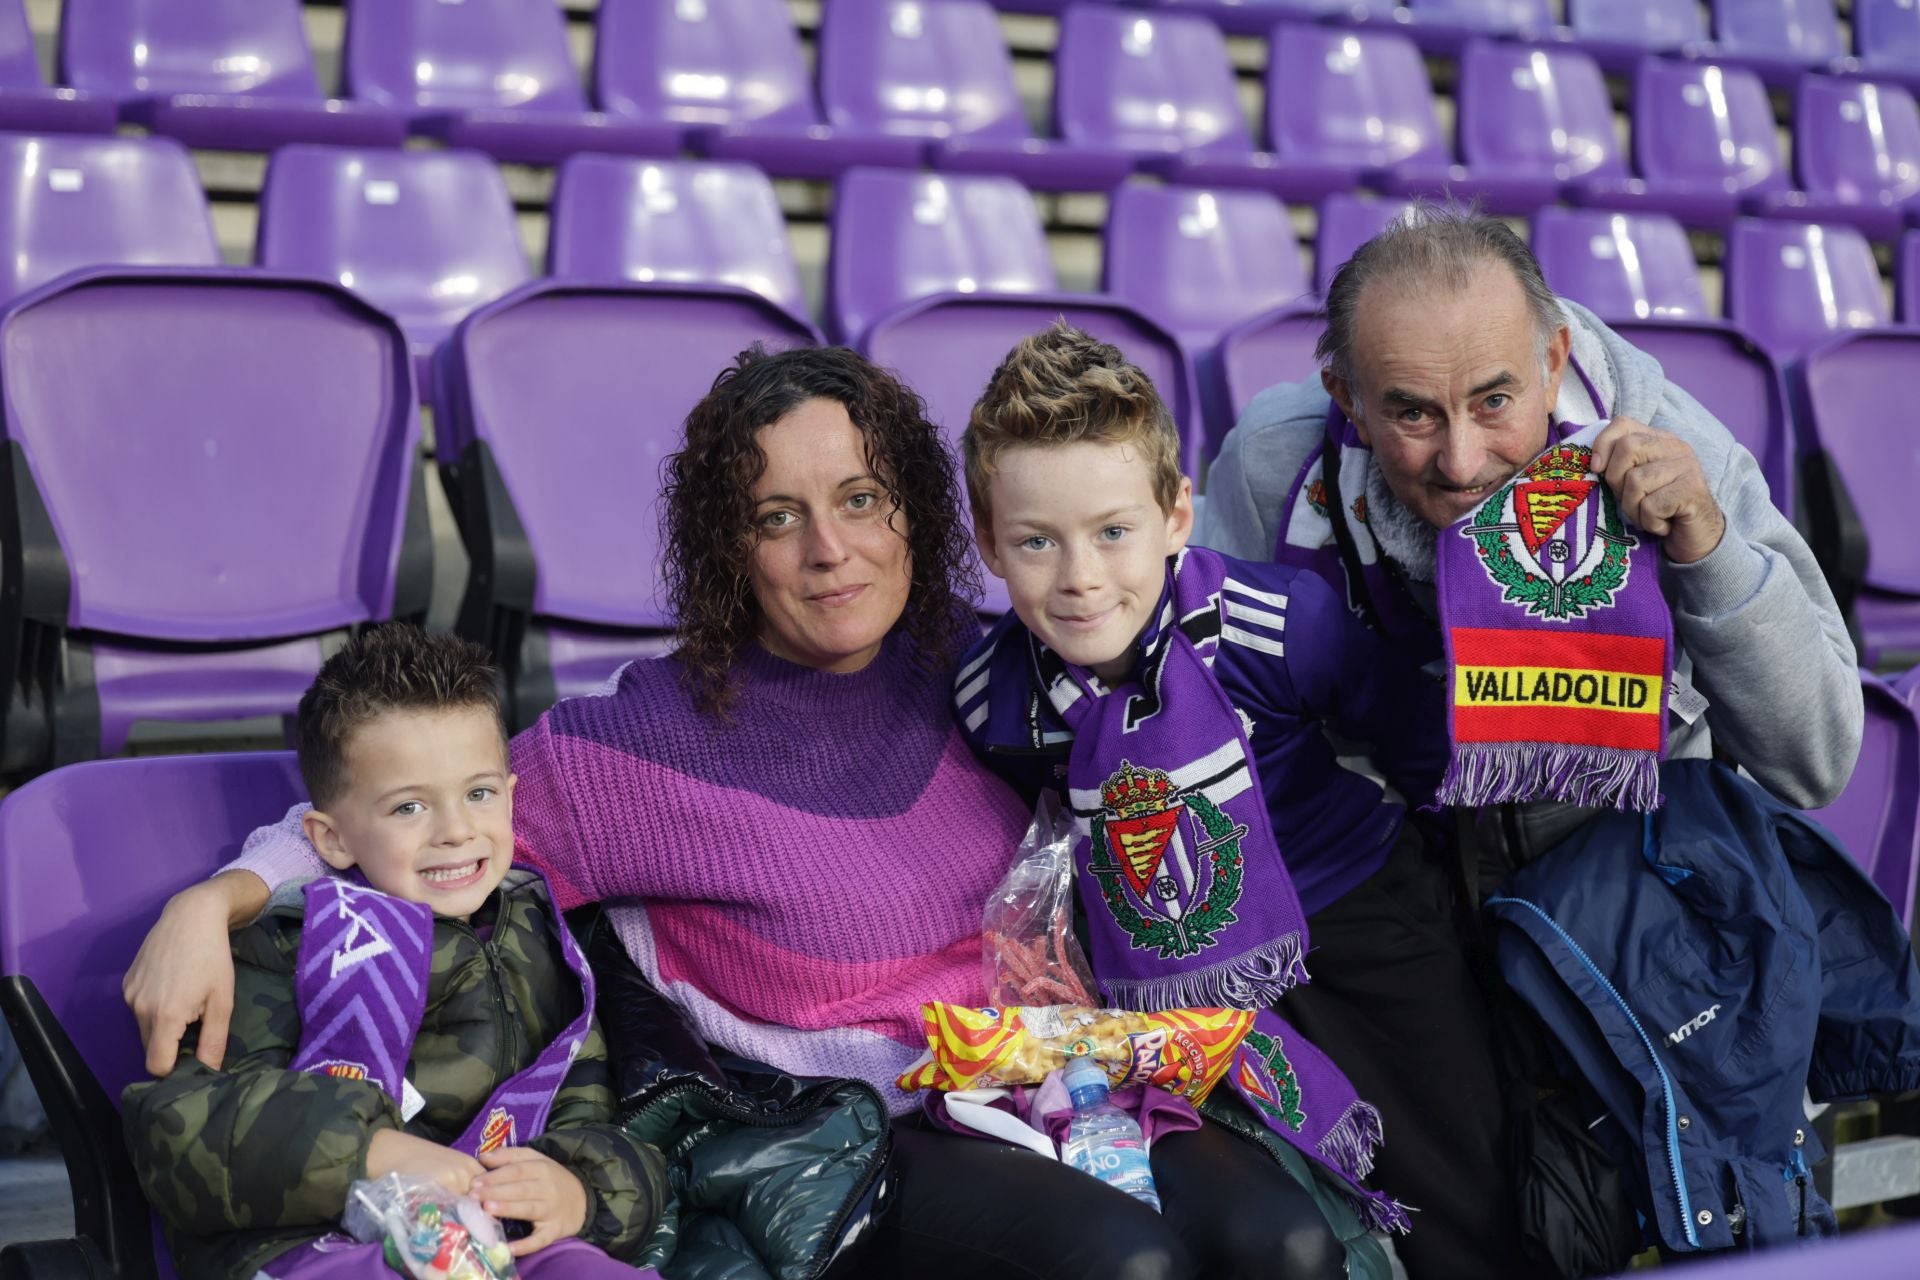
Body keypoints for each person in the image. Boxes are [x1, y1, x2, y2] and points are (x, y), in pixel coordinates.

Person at [122, 346, 1358, 1280]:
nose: (831, 548)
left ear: (921, 512)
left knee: (1289, 1241)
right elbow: (406, 811)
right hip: (876, 1127)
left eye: (864, 498)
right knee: (1125, 1266)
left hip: (1075, 1078)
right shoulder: (642, 744)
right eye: (778, 517)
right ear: (730, 548)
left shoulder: (996, 670)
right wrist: (212, 897)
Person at [1197, 205, 1864, 1277]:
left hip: (1637, 924)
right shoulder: (1277, 468)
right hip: (1413, 922)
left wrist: (1708, 550)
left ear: (1555, 361)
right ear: (1346, 399)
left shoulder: (1660, 434)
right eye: (1411, 412)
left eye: (1496, 401)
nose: (1462, 460)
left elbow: (1817, 754)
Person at [952, 323, 1446, 1239]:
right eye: (1036, 543)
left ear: (1178, 514)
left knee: (1449, 1187)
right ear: (986, 541)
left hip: (1366, 927)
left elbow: (1418, 745)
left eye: (1114, 532)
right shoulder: (993, 702)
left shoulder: (1273, 623)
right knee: (1292, 1223)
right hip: (1171, 982)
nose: (1082, 579)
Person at [121, 625, 667, 1280]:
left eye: (479, 793)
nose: (457, 829)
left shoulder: (540, 934)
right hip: (314, 1245)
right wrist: (373, 1153)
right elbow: (178, 1131)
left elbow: (592, 1103)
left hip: (497, 1239)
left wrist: (582, 1190)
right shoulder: (288, 943)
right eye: (409, 807)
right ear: (331, 838)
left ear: (511, 797)